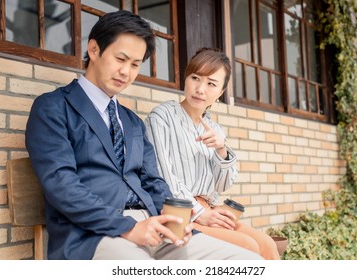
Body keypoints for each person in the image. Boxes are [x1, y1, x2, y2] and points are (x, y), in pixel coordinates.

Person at [25, 10, 262, 260]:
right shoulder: (53, 108)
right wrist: (128, 227)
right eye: (121, 59)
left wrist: (178, 221)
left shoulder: (132, 122)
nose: (126, 72)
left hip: (154, 225)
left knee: (247, 261)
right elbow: (62, 184)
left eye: (135, 64)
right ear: (94, 50)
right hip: (93, 234)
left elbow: (153, 181)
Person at [145, 48, 280, 260]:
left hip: (211, 208)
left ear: (220, 92)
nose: (200, 89)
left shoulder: (214, 128)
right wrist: (201, 213)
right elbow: (164, 177)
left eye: (211, 84)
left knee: (268, 244)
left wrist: (221, 149)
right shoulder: (162, 117)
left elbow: (222, 186)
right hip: (180, 213)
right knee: (248, 247)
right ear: (186, 79)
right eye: (195, 78)